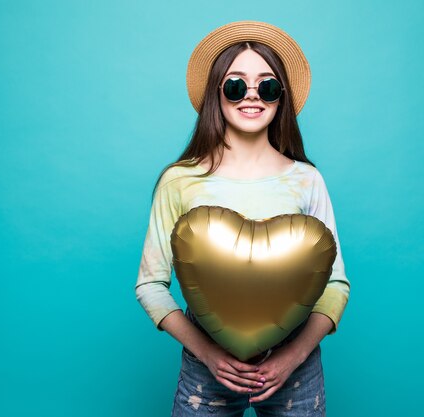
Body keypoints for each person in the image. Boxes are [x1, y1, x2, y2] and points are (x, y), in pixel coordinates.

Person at [135, 21, 351, 416]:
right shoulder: (180, 180)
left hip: (297, 370)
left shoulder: (306, 180)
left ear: (280, 97)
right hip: (207, 369)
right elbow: (150, 285)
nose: (252, 96)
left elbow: (335, 284)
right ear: (216, 92)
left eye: (267, 86)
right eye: (236, 85)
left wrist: (293, 356)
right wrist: (208, 354)